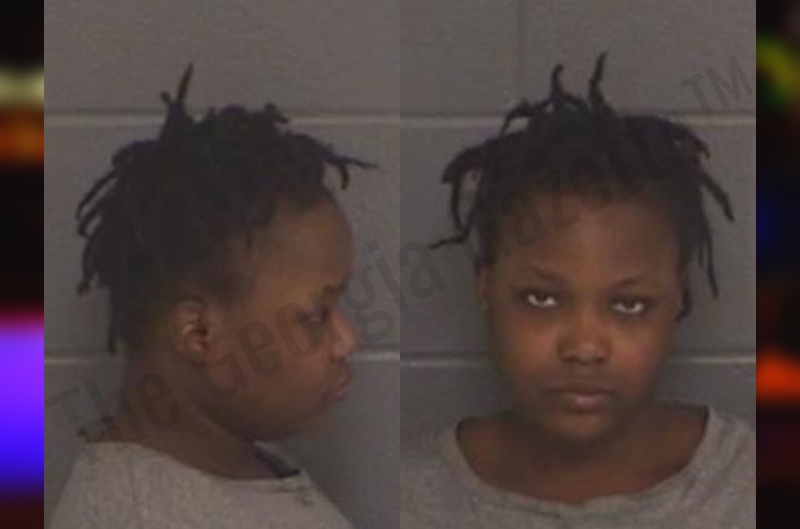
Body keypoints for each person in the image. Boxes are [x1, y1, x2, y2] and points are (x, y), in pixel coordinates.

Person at [402, 55, 755, 528]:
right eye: (541, 299)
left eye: (629, 304)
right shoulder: (410, 500)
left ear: (678, 297)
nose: (585, 348)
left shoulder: (750, 489)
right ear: (486, 289)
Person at [50, 66, 370, 529]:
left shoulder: (239, 456)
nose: (347, 340)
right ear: (200, 333)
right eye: (318, 315)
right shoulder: (139, 518)